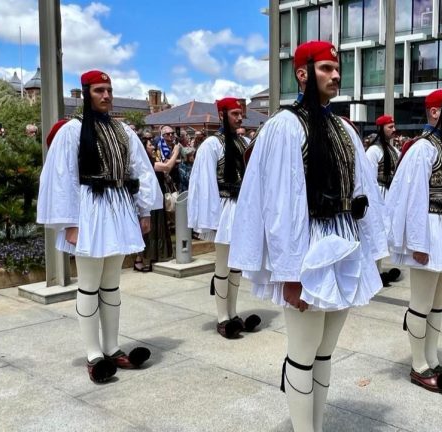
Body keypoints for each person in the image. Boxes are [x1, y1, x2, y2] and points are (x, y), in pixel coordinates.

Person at [228, 41, 387, 432]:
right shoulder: (283, 127)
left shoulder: (344, 129)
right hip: (307, 249)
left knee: (325, 352)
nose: (336, 76)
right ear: (302, 74)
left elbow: (362, 192)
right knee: (302, 352)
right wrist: (290, 272)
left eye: (337, 69)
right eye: (326, 68)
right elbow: (282, 207)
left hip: (343, 241)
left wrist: (372, 250)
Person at [37, 70, 162, 383]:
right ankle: (93, 353)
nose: (106, 96)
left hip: (118, 207)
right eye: (99, 91)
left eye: (109, 90)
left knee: (112, 283)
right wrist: (69, 222)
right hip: (89, 210)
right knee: (89, 284)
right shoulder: (72, 131)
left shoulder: (123, 130)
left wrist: (143, 208)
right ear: (86, 93)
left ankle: (112, 346)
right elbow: (62, 177)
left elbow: (141, 169)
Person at [386, 89, 442, 393]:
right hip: (429, 230)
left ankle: (433, 359)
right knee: (422, 303)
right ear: (435, 112)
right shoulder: (422, 148)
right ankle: (418, 365)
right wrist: (417, 243)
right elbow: (411, 199)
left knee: (437, 304)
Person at [187, 97, 261, 339]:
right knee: (223, 265)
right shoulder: (211, 145)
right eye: (234, 114)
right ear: (222, 115)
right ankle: (222, 317)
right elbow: (204, 183)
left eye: (241, 114)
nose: (239, 118)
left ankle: (233, 313)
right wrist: (210, 217)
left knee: (237, 266)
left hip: (241, 208)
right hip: (225, 208)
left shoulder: (245, 142)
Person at [365, 114, 402, 287]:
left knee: (385, 236)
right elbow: (368, 179)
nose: (394, 130)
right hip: (378, 195)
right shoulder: (374, 151)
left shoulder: (394, 150)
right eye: (390, 127)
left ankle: (377, 272)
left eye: (394, 126)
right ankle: (372, 273)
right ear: (381, 128)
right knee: (376, 235)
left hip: (390, 195)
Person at [134, 135, 175, 272]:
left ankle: (154, 257)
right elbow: (168, 167)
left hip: (157, 200)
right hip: (148, 202)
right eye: (149, 145)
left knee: (157, 231)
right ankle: (140, 259)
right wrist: (176, 152)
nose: (152, 146)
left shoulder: (152, 160)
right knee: (148, 231)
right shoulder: (149, 163)